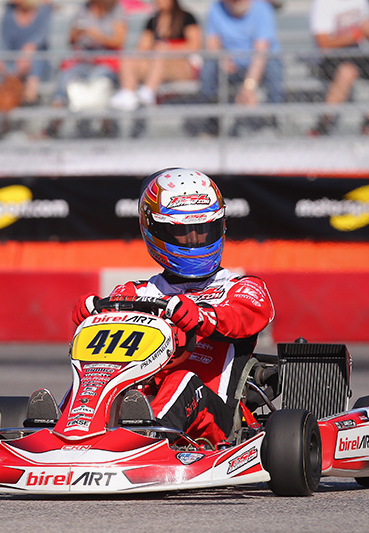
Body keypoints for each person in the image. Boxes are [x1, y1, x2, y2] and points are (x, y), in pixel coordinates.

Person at [71, 168, 275, 448]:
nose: (195, 240)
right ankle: (64, 430)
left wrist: (201, 317)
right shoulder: (135, 292)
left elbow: (245, 316)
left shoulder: (242, 287)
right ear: (155, 230)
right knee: (94, 375)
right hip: (140, 398)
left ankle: (143, 440)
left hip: (214, 414)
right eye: (182, 233)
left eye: (204, 230)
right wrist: (91, 318)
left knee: (181, 380)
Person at [308, 0, 369, 136]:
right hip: (332, 56)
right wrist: (356, 35)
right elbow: (324, 43)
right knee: (347, 72)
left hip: (357, 53)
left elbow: (365, 29)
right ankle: (323, 125)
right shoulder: (322, 3)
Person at [196, 0, 283, 136]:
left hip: (260, 66)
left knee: (274, 67)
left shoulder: (262, 8)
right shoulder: (216, 8)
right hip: (231, 66)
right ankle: (212, 122)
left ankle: (272, 119)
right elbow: (212, 44)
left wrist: (249, 87)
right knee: (209, 67)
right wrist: (222, 58)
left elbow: (261, 53)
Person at [45, 0, 128, 138]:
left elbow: (119, 40)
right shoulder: (83, 9)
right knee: (65, 77)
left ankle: (105, 129)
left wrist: (96, 35)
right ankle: (53, 127)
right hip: (83, 60)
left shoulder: (115, 9)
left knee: (98, 80)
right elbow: (70, 40)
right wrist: (77, 34)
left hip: (107, 61)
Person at [108, 0, 202, 112]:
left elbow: (194, 46)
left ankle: (148, 92)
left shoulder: (187, 18)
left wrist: (168, 48)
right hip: (158, 65)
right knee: (129, 58)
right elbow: (142, 48)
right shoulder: (153, 21)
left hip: (182, 65)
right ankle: (128, 93)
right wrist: (156, 48)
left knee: (159, 55)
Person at [0, 0, 53, 140]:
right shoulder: (9, 13)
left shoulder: (43, 10)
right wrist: (0, 61)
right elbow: (4, 43)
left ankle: (32, 126)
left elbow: (40, 39)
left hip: (37, 61)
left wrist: (27, 55)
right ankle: (0, 124)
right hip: (13, 61)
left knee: (34, 69)